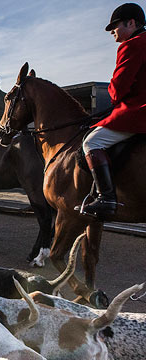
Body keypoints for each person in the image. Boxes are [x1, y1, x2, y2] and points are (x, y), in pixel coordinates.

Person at [79, 3, 146, 218]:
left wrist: (111, 87)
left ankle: (106, 198)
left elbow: (117, 91)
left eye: (115, 26)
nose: (112, 32)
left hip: (139, 112)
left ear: (131, 22)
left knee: (92, 142)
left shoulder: (133, 44)